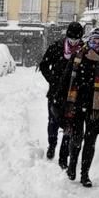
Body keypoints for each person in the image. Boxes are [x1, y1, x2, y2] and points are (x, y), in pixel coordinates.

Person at [58, 29, 99, 187]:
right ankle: (72, 167)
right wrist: (60, 100)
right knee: (76, 138)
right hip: (77, 104)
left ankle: (85, 175)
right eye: (95, 41)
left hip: (97, 107)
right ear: (89, 41)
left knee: (90, 141)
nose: (97, 44)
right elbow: (66, 79)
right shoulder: (78, 56)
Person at [38, 21, 86, 161]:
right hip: (55, 92)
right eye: (71, 39)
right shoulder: (57, 47)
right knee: (53, 120)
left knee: (69, 122)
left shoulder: (83, 50)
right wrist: (52, 79)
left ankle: (64, 152)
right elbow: (44, 65)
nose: (73, 42)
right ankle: (52, 145)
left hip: (73, 94)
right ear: (67, 36)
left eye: (76, 39)